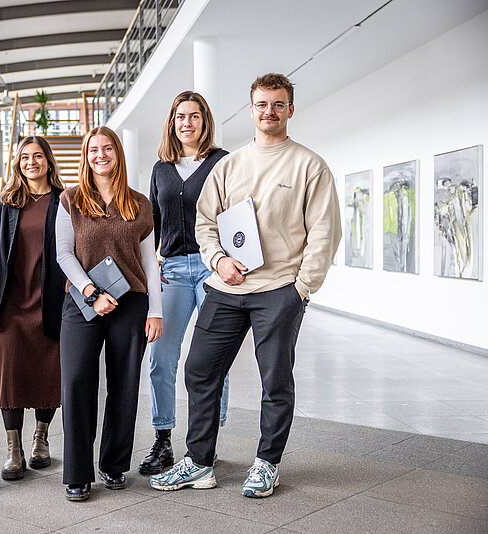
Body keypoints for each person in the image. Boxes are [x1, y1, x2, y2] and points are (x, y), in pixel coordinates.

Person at [150, 73, 341, 498]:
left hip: (279, 291)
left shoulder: (309, 165)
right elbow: (205, 221)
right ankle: (199, 463)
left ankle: (266, 463)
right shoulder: (231, 164)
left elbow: (324, 234)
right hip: (226, 287)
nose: (268, 112)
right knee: (199, 369)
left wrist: (301, 288)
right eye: (261, 104)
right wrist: (218, 260)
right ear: (251, 108)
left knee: (275, 380)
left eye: (277, 104)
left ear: (290, 109)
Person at [56, 126, 163, 502]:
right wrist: (91, 292)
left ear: (118, 153)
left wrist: (156, 310)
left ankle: (114, 465)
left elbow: (149, 261)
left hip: (130, 303)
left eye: (107, 149)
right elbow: (64, 254)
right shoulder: (71, 200)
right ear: (85, 157)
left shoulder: (139, 203)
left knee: (124, 385)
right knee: (76, 383)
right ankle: (78, 473)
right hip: (82, 300)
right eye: (93, 150)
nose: (100, 155)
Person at [141, 91, 230, 476]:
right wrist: (150, 272)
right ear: (172, 122)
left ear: (204, 121)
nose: (187, 123)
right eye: (181, 116)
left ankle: (207, 437)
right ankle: (163, 439)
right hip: (173, 270)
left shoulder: (222, 162)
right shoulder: (161, 168)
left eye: (194, 116)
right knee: (161, 356)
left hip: (213, 269)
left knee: (213, 359)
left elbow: (237, 215)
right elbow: (150, 227)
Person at [0, 136, 67, 480]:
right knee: (12, 374)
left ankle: (41, 438)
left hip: (51, 300)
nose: (31, 162)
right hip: (13, 303)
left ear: (49, 161)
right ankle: (13, 448)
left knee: (50, 370)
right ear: (17, 163)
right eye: (24, 157)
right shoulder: (8, 201)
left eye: (37, 156)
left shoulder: (65, 200)